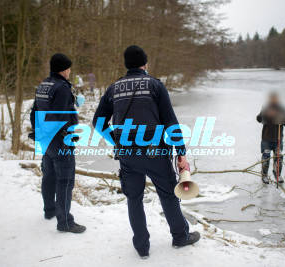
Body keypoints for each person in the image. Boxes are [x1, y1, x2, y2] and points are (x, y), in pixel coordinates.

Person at [92, 45, 200, 259]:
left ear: (126, 65)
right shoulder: (155, 85)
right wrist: (181, 152)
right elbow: (170, 122)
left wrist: (116, 140)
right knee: (168, 195)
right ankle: (180, 237)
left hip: (127, 155)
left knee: (134, 198)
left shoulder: (113, 88)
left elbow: (98, 121)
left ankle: (142, 247)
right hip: (155, 153)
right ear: (145, 64)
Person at [30, 53, 86, 233]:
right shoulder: (62, 87)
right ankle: (65, 222)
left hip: (45, 139)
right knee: (65, 179)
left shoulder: (43, 85)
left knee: (49, 175)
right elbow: (63, 115)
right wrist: (66, 136)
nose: (70, 71)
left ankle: (50, 210)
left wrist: (38, 132)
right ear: (64, 69)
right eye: (68, 68)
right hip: (59, 140)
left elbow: (34, 112)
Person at [256, 92, 285, 184]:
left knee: (279, 157)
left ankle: (277, 174)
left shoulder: (282, 109)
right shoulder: (266, 108)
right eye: (272, 98)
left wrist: (282, 119)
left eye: (275, 98)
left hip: (278, 139)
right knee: (266, 157)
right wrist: (265, 115)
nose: (274, 100)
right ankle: (264, 175)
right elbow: (259, 119)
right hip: (266, 138)